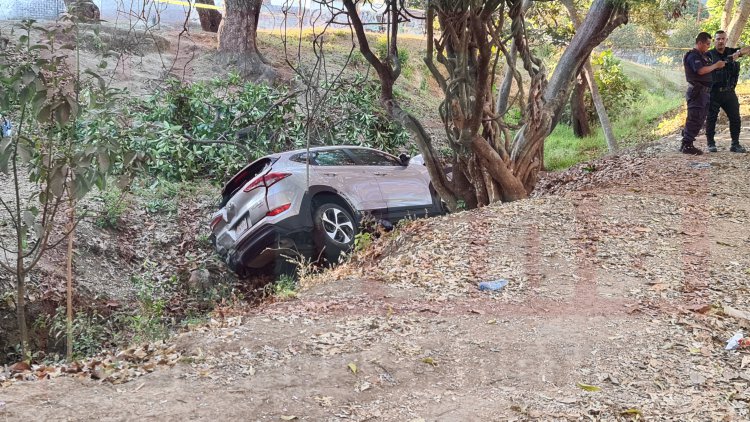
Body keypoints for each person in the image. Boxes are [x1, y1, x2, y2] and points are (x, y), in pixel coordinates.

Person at [680, 32, 726, 155]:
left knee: (700, 118)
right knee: (695, 117)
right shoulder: (693, 56)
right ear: (699, 43)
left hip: (704, 92)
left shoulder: (703, 56)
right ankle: (687, 144)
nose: (708, 46)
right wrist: (715, 66)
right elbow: (700, 71)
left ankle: (687, 140)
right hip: (697, 92)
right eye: (706, 44)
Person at [705, 30, 750, 153]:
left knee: (735, 118)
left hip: (729, 92)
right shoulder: (709, 54)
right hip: (714, 92)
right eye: (718, 39)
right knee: (711, 118)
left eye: (723, 39)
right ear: (714, 40)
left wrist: (739, 53)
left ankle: (735, 144)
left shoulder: (731, 51)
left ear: (726, 40)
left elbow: (748, 49)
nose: (720, 41)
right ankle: (711, 143)